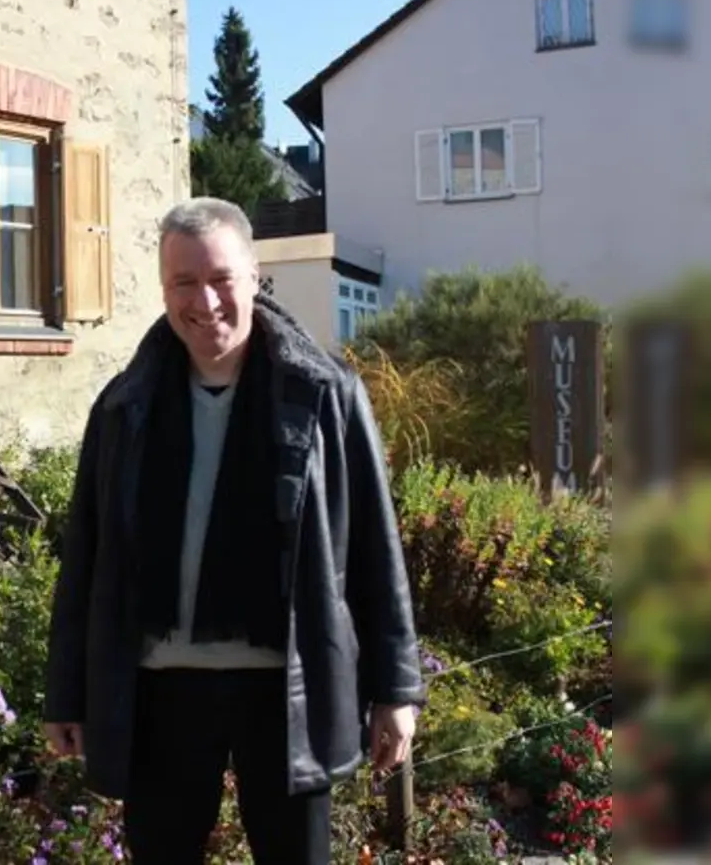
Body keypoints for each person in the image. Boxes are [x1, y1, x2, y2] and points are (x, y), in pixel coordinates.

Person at [41, 197, 427, 864]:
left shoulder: (324, 394)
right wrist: (66, 692)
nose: (205, 301)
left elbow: (374, 548)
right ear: (164, 289)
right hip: (161, 691)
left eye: (221, 278)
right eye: (183, 282)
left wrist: (396, 691)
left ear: (254, 277)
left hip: (286, 691)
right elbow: (87, 556)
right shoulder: (124, 405)